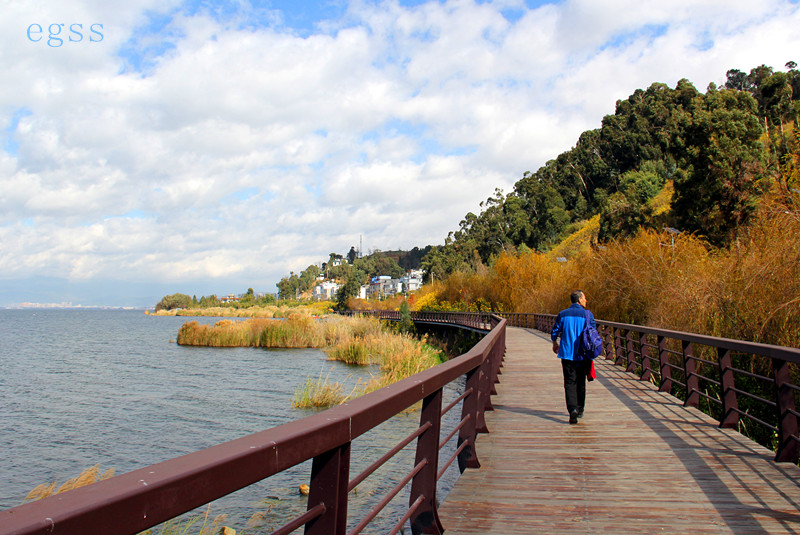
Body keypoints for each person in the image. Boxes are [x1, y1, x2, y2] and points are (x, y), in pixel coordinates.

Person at [551, 290, 596, 424]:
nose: (586, 301)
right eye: (585, 298)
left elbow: (555, 331)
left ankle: (572, 410)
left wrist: (554, 342)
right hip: (582, 354)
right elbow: (593, 332)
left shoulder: (563, 314)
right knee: (581, 381)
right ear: (579, 300)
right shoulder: (588, 315)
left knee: (569, 382)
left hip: (567, 353)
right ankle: (580, 409)